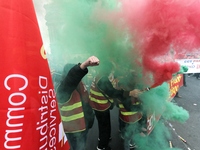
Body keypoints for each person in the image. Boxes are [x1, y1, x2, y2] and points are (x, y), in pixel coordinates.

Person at [89, 62, 142, 150]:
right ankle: (102, 146)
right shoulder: (103, 79)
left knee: (103, 126)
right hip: (100, 106)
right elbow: (112, 92)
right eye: (111, 70)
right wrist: (130, 93)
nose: (112, 72)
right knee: (105, 126)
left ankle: (103, 139)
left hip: (97, 104)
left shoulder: (101, 75)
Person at [56, 56, 100, 150]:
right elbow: (71, 79)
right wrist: (83, 66)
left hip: (84, 126)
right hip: (74, 130)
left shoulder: (80, 84)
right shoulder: (64, 89)